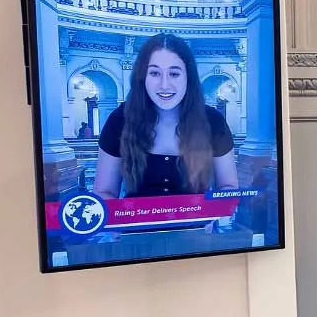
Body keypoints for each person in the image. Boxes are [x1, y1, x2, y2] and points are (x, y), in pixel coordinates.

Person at [93, 33, 240, 199]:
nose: (164, 85)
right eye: (155, 73)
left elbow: (228, 186)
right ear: (143, 78)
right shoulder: (120, 120)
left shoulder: (214, 121)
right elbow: (105, 191)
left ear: (188, 78)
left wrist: (216, 211)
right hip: (135, 224)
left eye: (174, 74)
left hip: (196, 225)